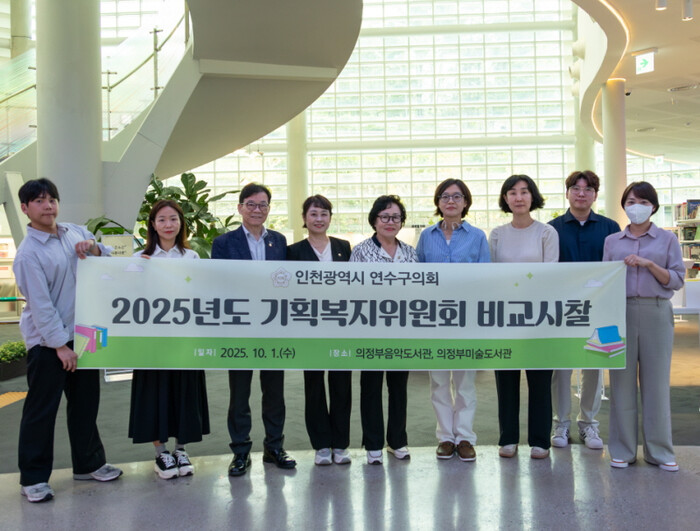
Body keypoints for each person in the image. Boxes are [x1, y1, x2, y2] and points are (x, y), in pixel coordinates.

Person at [13, 178, 123, 503]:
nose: (48, 206)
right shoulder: (28, 254)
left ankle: (89, 464)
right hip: (48, 344)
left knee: (85, 404)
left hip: (84, 335)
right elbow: (41, 305)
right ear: (25, 208)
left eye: (52, 199)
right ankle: (33, 478)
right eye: (39, 201)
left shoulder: (75, 232)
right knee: (41, 411)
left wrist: (93, 248)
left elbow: (106, 256)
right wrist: (60, 346)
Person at [211, 183, 296, 476]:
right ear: (240, 208)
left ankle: (274, 447)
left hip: (272, 327)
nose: (257, 210)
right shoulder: (224, 243)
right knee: (239, 394)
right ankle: (240, 451)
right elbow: (219, 284)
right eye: (251, 204)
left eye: (262, 205)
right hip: (240, 327)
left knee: (274, 392)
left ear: (269, 209)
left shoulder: (279, 241)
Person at [603, 181, 684, 471]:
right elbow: (604, 280)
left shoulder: (667, 239)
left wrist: (649, 264)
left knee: (656, 384)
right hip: (619, 313)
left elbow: (677, 279)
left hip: (656, 311)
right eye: (631, 202)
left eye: (643, 202)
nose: (636, 207)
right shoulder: (612, 241)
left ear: (653, 207)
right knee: (621, 383)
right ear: (624, 206)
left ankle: (660, 451)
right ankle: (622, 450)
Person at [128, 200, 210, 479]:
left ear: (181, 223)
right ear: (152, 224)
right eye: (161, 219)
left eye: (173, 219)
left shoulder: (191, 257)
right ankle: (161, 452)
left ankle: (181, 449)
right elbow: (128, 296)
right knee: (155, 392)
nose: (168, 224)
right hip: (151, 341)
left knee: (184, 391)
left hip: (184, 338)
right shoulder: (140, 259)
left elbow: (200, 293)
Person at [416, 179, 490, 462]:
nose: (450, 201)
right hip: (433, 318)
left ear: (465, 202)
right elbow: (418, 276)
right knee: (438, 381)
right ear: (438, 202)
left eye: (457, 196)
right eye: (445, 196)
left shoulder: (477, 236)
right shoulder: (427, 236)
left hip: (466, 319)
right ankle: (446, 437)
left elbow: (485, 278)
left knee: (465, 382)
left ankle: (465, 438)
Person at [488, 174, 559, 459]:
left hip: (538, 316)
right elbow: (491, 275)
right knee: (506, 381)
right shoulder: (497, 234)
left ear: (533, 197)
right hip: (505, 317)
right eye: (512, 192)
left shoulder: (546, 233)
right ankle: (508, 438)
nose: (519, 197)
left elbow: (550, 273)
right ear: (505, 199)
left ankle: (540, 440)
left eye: (524, 192)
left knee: (540, 381)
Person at [548, 171, 620, 450]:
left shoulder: (610, 227)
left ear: (595, 195)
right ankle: (561, 422)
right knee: (561, 369)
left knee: (595, 367)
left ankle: (588, 423)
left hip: (602, 309)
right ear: (567, 193)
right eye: (575, 188)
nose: (581, 193)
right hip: (563, 310)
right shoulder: (551, 229)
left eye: (588, 189)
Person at [350, 194, 417, 465]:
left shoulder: (410, 253)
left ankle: (397, 441)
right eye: (385, 217)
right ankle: (373, 443)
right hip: (371, 329)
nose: (390, 222)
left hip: (403, 329)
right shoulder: (361, 251)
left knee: (398, 387)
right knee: (371, 386)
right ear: (374, 220)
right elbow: (353, 290)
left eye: (396, 217)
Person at [287, 195, 353, 466]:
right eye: (313, 213)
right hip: (309, 328)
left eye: (324, 213)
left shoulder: (343, 247)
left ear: (330, 218)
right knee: (314, 386)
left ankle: (341, 444)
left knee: (342, 386)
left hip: (340, 326)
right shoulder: (293, 251)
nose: (319, 219)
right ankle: (321, 445)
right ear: (304, 218)